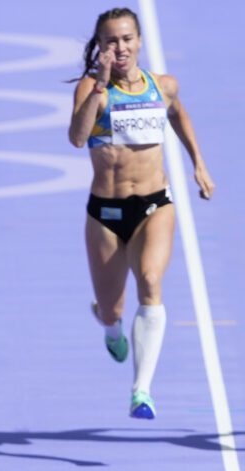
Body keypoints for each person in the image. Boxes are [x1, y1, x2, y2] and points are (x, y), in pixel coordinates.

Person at [68, 7, 214, 419]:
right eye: (111, 41)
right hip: (106, 214)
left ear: (139, 42)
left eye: (127, 39)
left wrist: (198, 163)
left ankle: (142, 389)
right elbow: (78, 138)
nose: (120, 48)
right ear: (100, 47)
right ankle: (110, 325)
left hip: (154, 205)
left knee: (151, 281)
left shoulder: (161, 86)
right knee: (112, 307)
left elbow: (178, 114)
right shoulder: (90, 88)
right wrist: (97, 86)